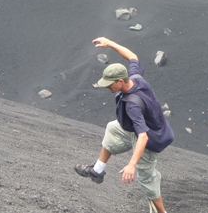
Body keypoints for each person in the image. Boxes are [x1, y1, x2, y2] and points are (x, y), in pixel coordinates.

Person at [74, 37, 174, 213]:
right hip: (140, 129)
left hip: (150, 140)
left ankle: (162, 212)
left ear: (120, 81)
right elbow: (133, 56)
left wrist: (131, 164)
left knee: (147, 178)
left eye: (109, 84)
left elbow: (143, 136)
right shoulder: (135, 78)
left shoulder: (133, 104)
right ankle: (97, 171)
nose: (106, 87)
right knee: (113, 128)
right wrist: (110, 43)